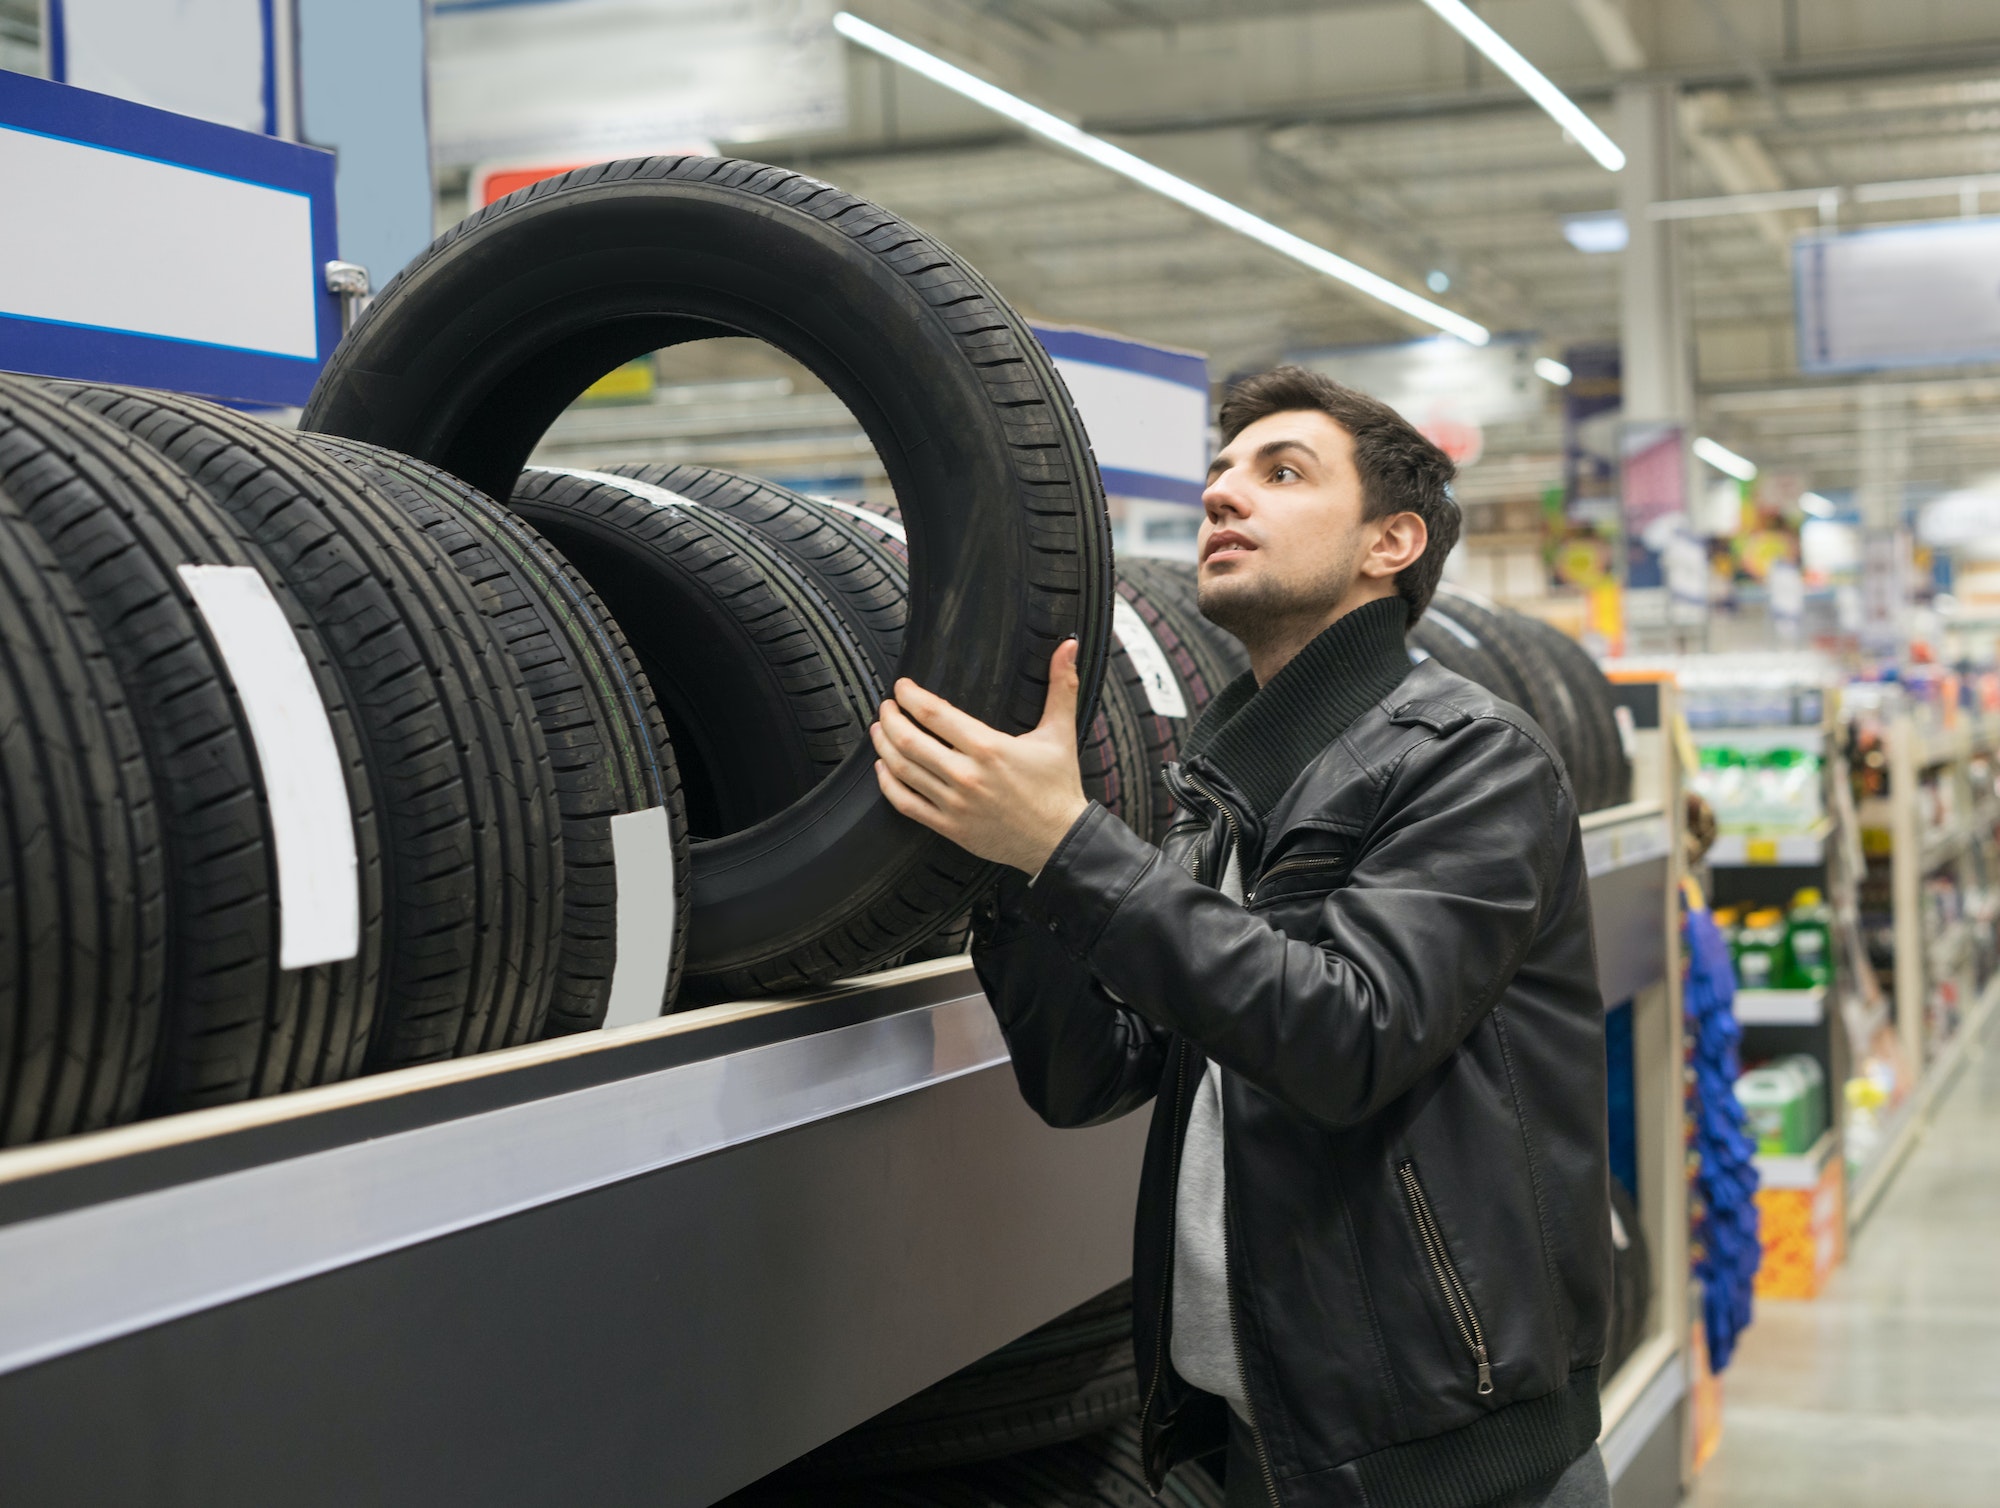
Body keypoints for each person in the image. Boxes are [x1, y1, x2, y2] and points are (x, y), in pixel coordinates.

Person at [868, 366, 1611, 1508]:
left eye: (1280, 472)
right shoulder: (1229, 789)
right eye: (1220, 473)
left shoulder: (1470, 759)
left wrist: (1071, 844)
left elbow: (1345, 1033)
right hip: (1256, 1434)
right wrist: (1020, 871)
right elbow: (1094, 1074)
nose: (1222, 494)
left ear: (1389, 541)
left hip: (1439, 1459)